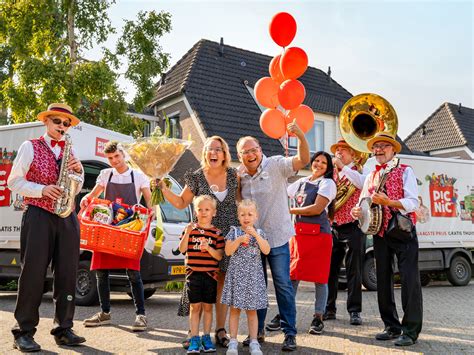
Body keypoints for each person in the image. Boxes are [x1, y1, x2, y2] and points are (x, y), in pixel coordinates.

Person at [7, 103, 86, 352]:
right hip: (39, 214)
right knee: (33, 273)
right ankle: (24, 332)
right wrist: (41, 190)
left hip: (67, 216)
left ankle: (63, 329)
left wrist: (79, 171)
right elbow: (14, 181)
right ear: (46, 122)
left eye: (66, 124)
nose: (62, 127)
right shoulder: (29, 146)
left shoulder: (70, 150)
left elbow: (76, 182)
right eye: (57, 121)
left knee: (67, 273)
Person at [157, 136, 239, 348]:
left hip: (226, 236)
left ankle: (220, 330)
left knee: (221, 283)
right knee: (195, 281)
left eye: (218, 150)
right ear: (205, 153)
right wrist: (163, 188)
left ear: (224, 154)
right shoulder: (195, 176)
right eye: (210, 149)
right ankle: (193, 332)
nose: (214, 153)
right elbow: (182, 202)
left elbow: (239, 203)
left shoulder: (233, 175)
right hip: (201, 236)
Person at [237, 119, 310, 352]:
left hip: (277, 238)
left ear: (260, 150)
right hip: (253, 241)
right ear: (240, 156)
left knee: (282, 286)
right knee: (257, 287)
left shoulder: (276, 164)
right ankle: (256, 333)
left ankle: (290, 333)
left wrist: (300, 136)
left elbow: (303, 160)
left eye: (253, 150)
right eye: (244, 152)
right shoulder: (241, 176)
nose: (250, 154)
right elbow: (239, 201)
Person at [351, 132, 422, 346]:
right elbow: (364, 201)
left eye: (384, 146)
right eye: (376, 146)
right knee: (382, 279)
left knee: (409, 281)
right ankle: (391, 326)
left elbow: (413, 203)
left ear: (393, 150)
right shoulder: (372, 174)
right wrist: (357, 211)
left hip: (402, 230)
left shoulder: (405, 170)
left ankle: (410, 330)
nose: (379, 150)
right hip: (380, 232)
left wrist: (389, 202)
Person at [81, 141, 152, 331]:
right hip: (107, 230)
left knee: (134, 274)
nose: (114, 161)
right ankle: (104, 313)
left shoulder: (138, 176)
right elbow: (94, 195)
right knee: (101, 272)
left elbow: (149, 200)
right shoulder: (106, 174)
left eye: (117, 157)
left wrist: (150, 212)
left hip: (128, 230)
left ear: (124, 155)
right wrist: (86, 199)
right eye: (110, 158)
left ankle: (141, 315)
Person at [286, 151, 337, 335]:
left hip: (319, 237)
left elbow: (316, 209)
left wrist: (289, 211)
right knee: (293, 275)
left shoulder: (328, 183)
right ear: (311, 162)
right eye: (316, 160)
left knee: (320, 279)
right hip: (299, 235)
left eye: (324, 162)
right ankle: (287, 313)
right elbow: (284, 191)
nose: (319, 164)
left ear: (328, 167)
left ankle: (318, 317)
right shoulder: (301, 181)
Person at [324, 139, 368, 325]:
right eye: (337, 150)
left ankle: (354, 311)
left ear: (353, 154)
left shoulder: (358, 172)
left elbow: (360, 184)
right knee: (330, 271)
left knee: (354, 271)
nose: (339, 153)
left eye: (343, 150)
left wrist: (343, 167)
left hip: (354, 227)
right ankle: (329, 308)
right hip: (334, 227)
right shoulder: (331, 174)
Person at [221, 199, 270, 355]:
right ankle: (233, 341)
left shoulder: (260, 233)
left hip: (252, 278)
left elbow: (266, 250)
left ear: (256, 216)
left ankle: (254, 341)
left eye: (250, 214)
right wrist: (239, 240)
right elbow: (228, 251)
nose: (246, 217)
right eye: (242, 214)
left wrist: (255, 234)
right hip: (237, 277)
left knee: (252, 311)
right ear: (238, 216)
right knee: (234, 310)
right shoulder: (234, 231)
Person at [180, 195, 224, 354]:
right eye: (200, 209)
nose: (203, 212)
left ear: (214, 212)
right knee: (194, 307)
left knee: (207, 307)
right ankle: (194, 338)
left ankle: (206, 337)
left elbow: (219, 256)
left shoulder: (217, 233)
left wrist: (209, 249)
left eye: (207, 209)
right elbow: (182, 249)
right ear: (195, 211)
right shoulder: (190, 230)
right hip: (193, 275)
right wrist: (187, 233)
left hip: (210, 275)